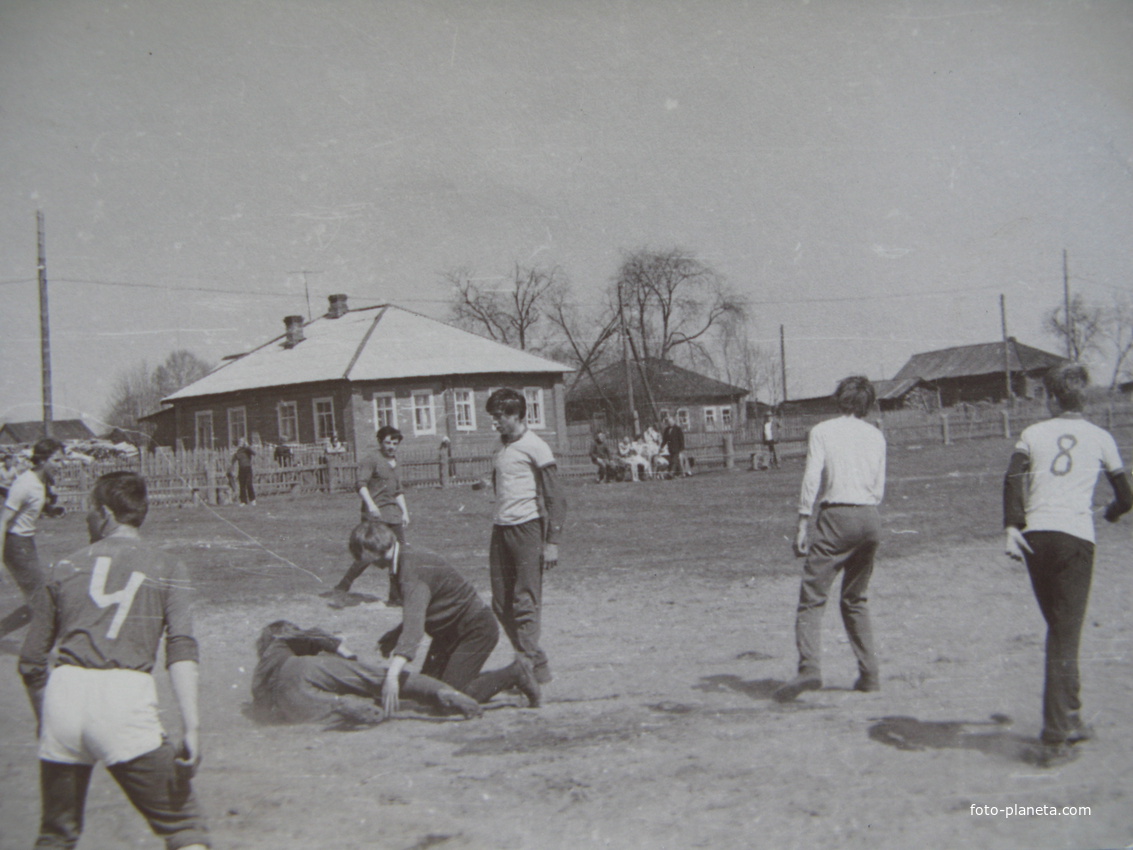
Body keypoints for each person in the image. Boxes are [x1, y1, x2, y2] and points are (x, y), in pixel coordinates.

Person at [18, 471, 210, 849]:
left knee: (57, 833)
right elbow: (181, 647)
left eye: (91, 509)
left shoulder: (65, 566)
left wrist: (48, 717)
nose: (87, 518)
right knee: (182, 825)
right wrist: (192, 725)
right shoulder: (169, 566)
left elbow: (29, 662)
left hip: (64, 693)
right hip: (125, 697)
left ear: (105, 513)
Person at [1003, 363, 1131, 767]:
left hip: (1035, 538)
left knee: (1060, 628)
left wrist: (1011, 524)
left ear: (1052, 398)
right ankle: (1055, 738)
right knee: (1064, 633)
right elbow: (1126, 496)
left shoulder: (1033, 433)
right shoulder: (1100, 437)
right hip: (1074, 538)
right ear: (1083, 398)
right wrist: (1108, 514)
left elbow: (1012, 478)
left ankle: (1071, 718)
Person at [347, 521, 542, 713]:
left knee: (449, 697)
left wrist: (392, 674)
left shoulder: (410, 570)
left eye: (363, 557)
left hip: (475, 630)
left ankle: (516, 673)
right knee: (425, 691)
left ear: (371, 550)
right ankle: (488, 678)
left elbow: (414, 630)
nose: (365, 563)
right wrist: (395, 634)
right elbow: (422, 608)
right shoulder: (402, 560)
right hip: (448, 634)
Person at [773, 376, 886, 702]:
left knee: (812, 599)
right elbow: (879, 488)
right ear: (868, 403)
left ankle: (809, 668)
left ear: (839, 399)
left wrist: (803, 521)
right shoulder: (877, 436)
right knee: (855, 599)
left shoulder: (822, 431)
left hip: (836, 516)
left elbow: (812, 477)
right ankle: (870, 674)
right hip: (869, 518)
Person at [251, 619, 483, 724]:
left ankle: (340, 705)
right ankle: (441, 691)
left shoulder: (263, 668)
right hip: (302, 671)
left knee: (323, 707)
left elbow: (261, 705)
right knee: (374, 677)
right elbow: (315, 634)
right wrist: (346, 654)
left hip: (288, 702)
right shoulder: (283, 639)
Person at [485, 387, 566, 686]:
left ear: (516, 415)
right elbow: (501, 477)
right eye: (493, 416)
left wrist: (552, 542)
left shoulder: (537, 446)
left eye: (499, 416)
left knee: (525, 599)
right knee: (500, 602)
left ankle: (528, 668)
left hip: (528, 530)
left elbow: (557, 497)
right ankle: (535, 660)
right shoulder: (500, 444)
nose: (495, 422)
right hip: (500, 529)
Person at [338, 425, 409, 606]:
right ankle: (344, 584)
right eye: (387, 442)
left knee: (399, 555)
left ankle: (395, 597)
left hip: (393, 514)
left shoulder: (396, 463)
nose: (391, 446)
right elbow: (361, 485)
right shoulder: (371, 460)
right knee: (370, 554)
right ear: (380, 442)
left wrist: (405, 512)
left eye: (394, 443)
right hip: (376, 515)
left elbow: (398, 491)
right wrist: (371, 506)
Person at [0, 438, 64, 638]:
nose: (61, 466)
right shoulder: (25, 484)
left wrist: (51, 509)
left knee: (39, 600)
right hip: (15, 544)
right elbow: (3, 522)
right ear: (44, 459)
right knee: (41, 603)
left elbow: (33, 507)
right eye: (58, 460)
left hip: (26, 543)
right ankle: (41, 656)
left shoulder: (42, 481)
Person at [229, 438, 256, 506]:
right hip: (241, 469)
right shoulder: (238, 451)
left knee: (249, 484)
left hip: (248, 468)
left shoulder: (247, 450)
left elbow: (254, 453)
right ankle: (243, 501)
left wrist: (247, 446)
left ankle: (252, 499)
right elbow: (233, 460)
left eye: (242, 442)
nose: (240, 443)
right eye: (239, 442)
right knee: (242, 485)